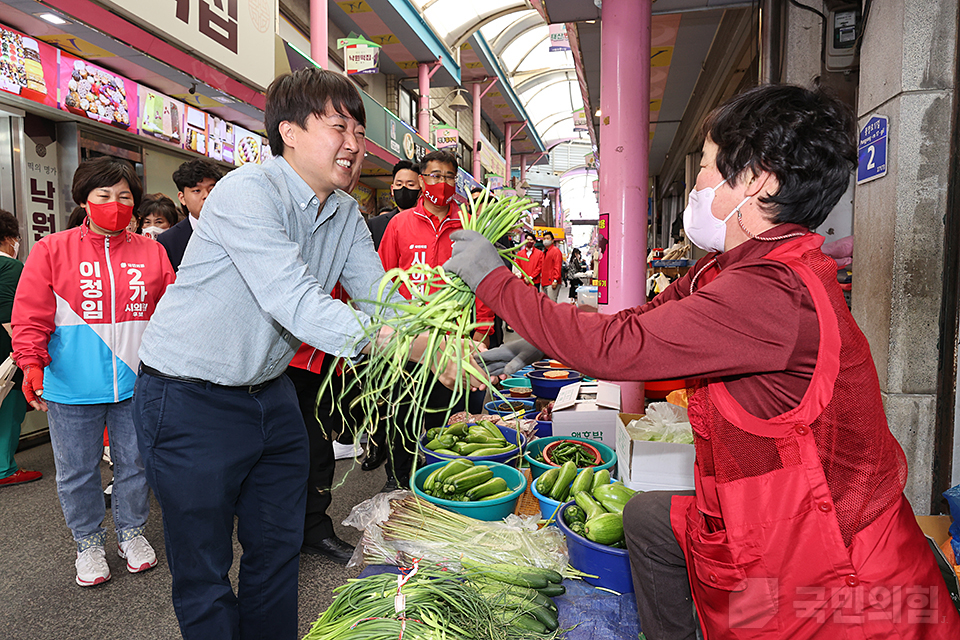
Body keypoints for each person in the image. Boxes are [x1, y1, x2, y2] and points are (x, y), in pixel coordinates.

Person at [444, 84, 960, 639]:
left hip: (827, 553)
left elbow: (619, 347)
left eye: (708, 167)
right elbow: (644, 322)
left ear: (758, 180)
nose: (695, 184)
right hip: (767, 505)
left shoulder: (772, 292)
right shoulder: (733, 269)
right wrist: (538, 341)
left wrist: (495, 281)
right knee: (646, 518)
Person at [132, 68, 479, 640]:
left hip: (270, 395)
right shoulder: (247, 192)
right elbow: (296, 301)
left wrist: (438, 341)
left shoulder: (344, 212)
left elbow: (377, 296)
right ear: (288, 131)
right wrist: (413, 345)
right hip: (188, 399)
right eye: (338, 126)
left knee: (277, 550)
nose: (353, 143)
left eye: (359, 130)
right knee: (204, 567)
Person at [12, 156, 175, 587]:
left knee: (135, 464)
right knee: (77, 470)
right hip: (71, 384)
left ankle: (131, 533)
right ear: (84, 200)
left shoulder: (152, 253)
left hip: (138, 382)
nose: (115, 204)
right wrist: (31, 362)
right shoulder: (52, 249)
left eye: (125, 196)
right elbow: (30, 314)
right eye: (104, 195)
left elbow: (172, 314)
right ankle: (87, 542)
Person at [376, 149, 493, 491]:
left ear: (455, 182)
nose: (440, 183)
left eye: (447, 177)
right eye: (434, 176)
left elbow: (485, 285)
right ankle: (398, 481)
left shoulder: (470, 226)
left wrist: (482, 334)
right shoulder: (400, 225)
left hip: (457, 341)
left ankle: (445, 481)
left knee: (453, 418)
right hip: (410, 341)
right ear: (422, 180)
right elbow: (383, 280)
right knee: (404, 412)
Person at [0, 210, 41, 488]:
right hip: (5, 354)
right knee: (8, 410)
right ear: (9, 238)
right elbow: (9, 318)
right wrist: (27, 356)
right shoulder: (11, 268)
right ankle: (5, 468)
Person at [157, 158, 222, 271]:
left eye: (212, 189)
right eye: (197, 191)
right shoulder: (168, 241)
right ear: (182, 198)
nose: (206, 196)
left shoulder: (234, 230)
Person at [366, 160, 420, 250]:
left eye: (410, 184)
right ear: (392, 189)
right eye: (399, 184)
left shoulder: (428, 222)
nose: (403, 188)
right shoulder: (376, 224)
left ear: (420, 190)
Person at [540, 230, 563, 302]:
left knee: (552, 303)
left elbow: (557, 266)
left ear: (552, 240)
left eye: (548, 238)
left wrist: (555, 280)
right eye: (544, 239)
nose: (546, 240)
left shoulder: (555, 251)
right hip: (546, 282)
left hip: (552, 282)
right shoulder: (545, 252)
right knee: (547, 304)